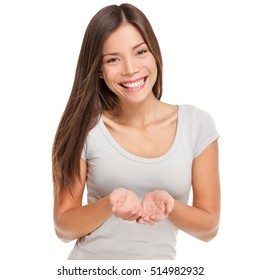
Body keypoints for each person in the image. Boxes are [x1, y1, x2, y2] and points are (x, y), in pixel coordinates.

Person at [52, 3, 220, 260]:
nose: (130, 69)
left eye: (140, 52)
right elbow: (63, 227)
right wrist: (109, 204)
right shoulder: (85, 128)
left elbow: (209, 228)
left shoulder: (197, 125)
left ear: (154, 53)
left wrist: (170, 206)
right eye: (113, 59)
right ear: (99, 69)